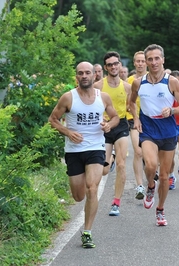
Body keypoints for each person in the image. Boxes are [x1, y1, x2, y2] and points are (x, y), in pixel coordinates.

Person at [48, 61, 119, 248]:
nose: (85, 76)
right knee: (79, 196)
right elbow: (53, 120)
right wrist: (68, 132)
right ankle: (85, 221)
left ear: (94, 75)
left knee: (92, 188)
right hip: (74, 151)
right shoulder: (68, 98)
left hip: (96, 147)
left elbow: (115, 117)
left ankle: (87, 231)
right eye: (81, 73)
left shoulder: (102, 97)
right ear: (76, 77)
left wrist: (109, 125)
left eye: (88, 72)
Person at [129, 44, 179, 226]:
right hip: (148, 127)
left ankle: (160, 209)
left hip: (168, 130)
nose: (154, 62)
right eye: (150, 59)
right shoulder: (139, 83)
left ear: (163, 59)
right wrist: (136, 119)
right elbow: (131, 103)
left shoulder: (172, 82)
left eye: (157, 58)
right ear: (145, 62)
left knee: (164, 176)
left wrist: (171, 110)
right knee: (151, 165)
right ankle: (150, 186)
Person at [94, 51, 131, 216]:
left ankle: (116, 202)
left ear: (120, 65)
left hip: (121, 125)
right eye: (110, 64)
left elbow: (132, 107)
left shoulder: (127, 87)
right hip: (104, 127)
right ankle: (111, 160)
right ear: (105, 67)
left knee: (122, 164)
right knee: (104, 170)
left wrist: (137, 120)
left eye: (116, 63)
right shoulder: (99, 86)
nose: (114, 67)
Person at [126, 51, 147, 200]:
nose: (140, 63)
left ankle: (152, 169)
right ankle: (139, 185)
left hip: (151, 119)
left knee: (150, 152)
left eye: (142, 61)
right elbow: (127, 102)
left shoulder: (152, 79)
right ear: (134, 63)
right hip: (133, 118)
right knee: (138, 151)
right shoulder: (129, 81)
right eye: (137, 61)